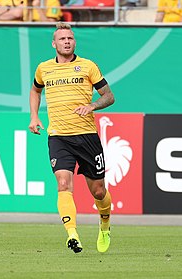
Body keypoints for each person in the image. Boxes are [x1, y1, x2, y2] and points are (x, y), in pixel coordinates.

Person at [29, 22, 115, 253]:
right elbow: (36, 90)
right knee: (63, 184)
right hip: (59, 137)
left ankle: (105, 224)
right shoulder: (43, 69)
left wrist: (93, 106)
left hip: (87, 136)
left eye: (70, 38)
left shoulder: (88, 67)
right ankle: (72, 234)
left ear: (74, 42)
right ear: (54, 43)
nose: (67, 41)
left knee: (97, 191)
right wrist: (34, 116)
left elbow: (109, 96)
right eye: (62, 38)